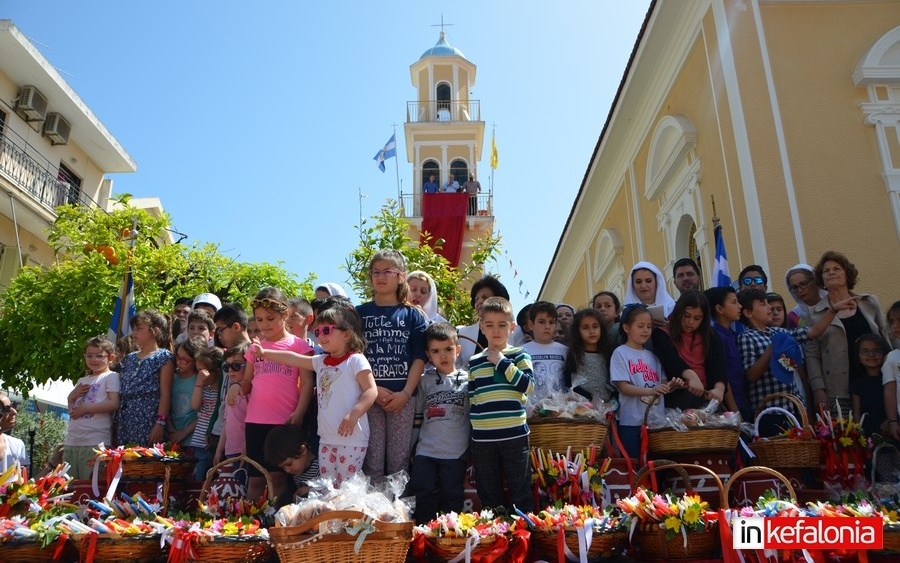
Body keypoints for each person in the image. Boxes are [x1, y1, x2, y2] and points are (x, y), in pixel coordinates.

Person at [252, 305, 378, 487]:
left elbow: (371, 390)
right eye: (317, 331)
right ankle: (331, 517)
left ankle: (349, 516)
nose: (320, 336)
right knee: (328, 488)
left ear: (347, 334)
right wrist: (264, 353)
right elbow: (292, 358)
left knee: (348, 488)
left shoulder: (356, 360)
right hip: (326, 438)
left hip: (352, 439)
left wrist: (354, 414)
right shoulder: (321, 362)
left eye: (327, 330)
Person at [356, 250, 427, 481]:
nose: (380, 276)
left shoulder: (412, 315)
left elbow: (419, 357)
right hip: (369, 396)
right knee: (372, 460)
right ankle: (372, 515)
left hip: (402, 397)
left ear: (400, 276)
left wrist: (406, 394)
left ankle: (398, 514)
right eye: (375, 272)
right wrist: (372, 390)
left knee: (399, 462)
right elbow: (354, 357)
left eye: (388, 271)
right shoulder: (359, 314)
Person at [238, 287, 315, 501]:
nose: (264, 325)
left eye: (270, 318)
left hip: (284, 421)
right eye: (259, 320)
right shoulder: (255, 348)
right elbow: (247, 381)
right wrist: (237, 388)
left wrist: (299, 413)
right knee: (255, 477)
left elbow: (307, 383)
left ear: (286, 314)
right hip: (255, 420)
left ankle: (277, 521)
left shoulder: (298, 346)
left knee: (278, 478)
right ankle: (250, 522)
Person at [738, 288, 849, 427]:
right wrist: (772, 349)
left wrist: (833, 310)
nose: (770, 307)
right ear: (748, 312)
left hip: (793, 408)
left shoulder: (778, 331)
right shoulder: (746, 337)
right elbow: (751, 375)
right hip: (769, 412)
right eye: (763, 304)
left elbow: (813, 332)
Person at [468, 296, 535, 513]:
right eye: (489, 325)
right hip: (483, 439)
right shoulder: (475, 361)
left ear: (512, 327)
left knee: (520, 488)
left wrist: (502, 362)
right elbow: (473, 396)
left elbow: (527, 385)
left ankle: (524, 538)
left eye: (502, 325)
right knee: (488, 491)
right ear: (482, 327)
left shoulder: (519, 355)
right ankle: (494, 537)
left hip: (514, 435)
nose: (495, 330)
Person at [806, 251, 890, 412]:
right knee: (847, 435)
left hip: (875, 382)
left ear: (847, 275)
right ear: (821, 279)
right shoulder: (814, 313)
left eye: (836, 269)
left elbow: (885, 337)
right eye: (826, 270)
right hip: (838, 389)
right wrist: (818, 389)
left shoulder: (869, 302)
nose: (831, 272)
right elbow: (812, 355)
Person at [408, 322, 470, 523]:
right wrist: (412, 447)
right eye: (436, 351)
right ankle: (423, 538)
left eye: (448, 349)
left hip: (456, 452)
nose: (442, 356)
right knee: (422, 494)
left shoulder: (469, 381)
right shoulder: (424, 381)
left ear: (458, 350)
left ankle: (448, 540)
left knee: (451, 496)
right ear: (428, 354)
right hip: (426, 452)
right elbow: (417, 416)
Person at [610, 304, 682, 459]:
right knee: (636, 465)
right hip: (631, 422)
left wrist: (672, 386)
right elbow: (623, 387)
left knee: (657, 464)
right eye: (640, 326)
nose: (645, 330)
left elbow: (662, 386)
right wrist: (651, 390)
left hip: (656, 423)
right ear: (626, 328)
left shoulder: (653, 356)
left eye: (649, 326)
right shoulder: (620, 353)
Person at [64, 336, 121, 479]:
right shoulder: (82, 380)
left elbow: (114, 403)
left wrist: (87, 408)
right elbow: (73, 410)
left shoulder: (111, 376)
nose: (93, 359)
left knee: (89, 487)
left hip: (95, 441)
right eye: (89, 356)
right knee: (69, 487)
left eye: (99, 356)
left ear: (111, 357)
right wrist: (70, 397)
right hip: (73, 440)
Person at [116, 310, 175, 446]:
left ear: (155, 331)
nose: (134, 333)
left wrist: (160, 423)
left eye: (139, 329)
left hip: (147, 417)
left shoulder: (163, 357)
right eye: (133, 329)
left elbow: (165, 393)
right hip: (126, 417)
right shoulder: (129, 358)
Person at [665, 291, 726, 410]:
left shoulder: (712, 336)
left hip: (707, 398)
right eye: (686, 316)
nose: (690, 322)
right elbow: (671, 360)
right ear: (678, 312)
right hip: (675, 399)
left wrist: (719, 389)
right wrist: (692, 377)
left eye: (697, 318)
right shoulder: (663, 334)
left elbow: (719, 366)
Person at [705, 286, 748, 419]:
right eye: (734, 302)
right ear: (719, 309)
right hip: (730, 407)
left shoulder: (732, 335)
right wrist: (734, 411)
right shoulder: (717, 337)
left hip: (743, 400)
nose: (740, 306)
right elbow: (723, 375)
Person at [457, 276, 511, 369]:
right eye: (476, 299)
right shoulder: (462, 332)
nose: (479, 302)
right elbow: (456, 366)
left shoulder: (515, 331)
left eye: (485, 297)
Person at [523, 301, 568, 409]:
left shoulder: (565, 351)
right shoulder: (522, 351)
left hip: (561, 410)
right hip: (533, 410)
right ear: (531, 324)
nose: (547, 326)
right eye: (542, 322)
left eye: (551, 322)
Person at [190, 346, 224, 481]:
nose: (199, 374)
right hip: (198, 442)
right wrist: (199, 382)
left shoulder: (221, 390)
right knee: (197, 477)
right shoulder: (203, 388)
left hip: (212, 440)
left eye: (202, 371)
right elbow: (195, 405)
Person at [564, 308, 613, 403]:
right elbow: (569, 383)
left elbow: (614, 382)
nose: (591, 331)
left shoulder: (608, 354)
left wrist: (613, 401)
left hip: (607, 408)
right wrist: (590, 398)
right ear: (577, 331)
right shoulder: (574, 355)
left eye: (595, 326)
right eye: (585, 327)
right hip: (583, 407)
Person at [264, 424, 320, 505]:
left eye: (289, 464)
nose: (287, 470)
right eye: (283, 467)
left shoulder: (320, 467)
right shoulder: (295, 474)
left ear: (302, 450)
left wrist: (311, 490)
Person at [215, 342, 250, 465]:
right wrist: (219, 450)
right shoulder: (230, 390)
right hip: (230, 450)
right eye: (226, 366)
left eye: (236, 366)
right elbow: (227, 422)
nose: (230, 370)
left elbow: (250, 424)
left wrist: (246, 448)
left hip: (245, 450)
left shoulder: (251, 392)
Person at [850, 334, 890, 437]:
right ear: (858, 357)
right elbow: (857, 411)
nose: (871, 355)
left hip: (890, 430)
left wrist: (892, 421)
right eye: (865, 351)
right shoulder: (856, 385)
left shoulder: (890, 381)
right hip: (867, 434)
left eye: (877, 351)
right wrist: (859, 433)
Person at [168, 337, 203, 447]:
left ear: (196, 361)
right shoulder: (171, 378)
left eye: (185, 360)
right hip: (171, 434)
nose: (179, 362)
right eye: (177, 357)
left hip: (192, 437)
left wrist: (184, 432)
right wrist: (171, 429)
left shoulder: (200, 380)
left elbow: (205, 413)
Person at [882, 301, 900, 441]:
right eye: (892, 321)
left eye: (899, 320)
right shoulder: (892, 357)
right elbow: (890, 390)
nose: (896, 325)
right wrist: (893, 421)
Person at [0, 393, 27, 476]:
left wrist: (50, 465)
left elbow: (26, 485)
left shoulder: (17, 445)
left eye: (11, 406)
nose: (14, 412)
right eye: (6, 408)